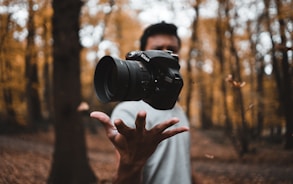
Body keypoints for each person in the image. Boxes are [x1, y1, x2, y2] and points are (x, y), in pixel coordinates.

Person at [90, 22, 192, 184]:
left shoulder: (176, 108)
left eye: (171, 50)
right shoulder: (129, 111)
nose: (166, 54)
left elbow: (180, 167)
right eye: (159, 50)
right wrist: (132, 164)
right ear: (144, 54)